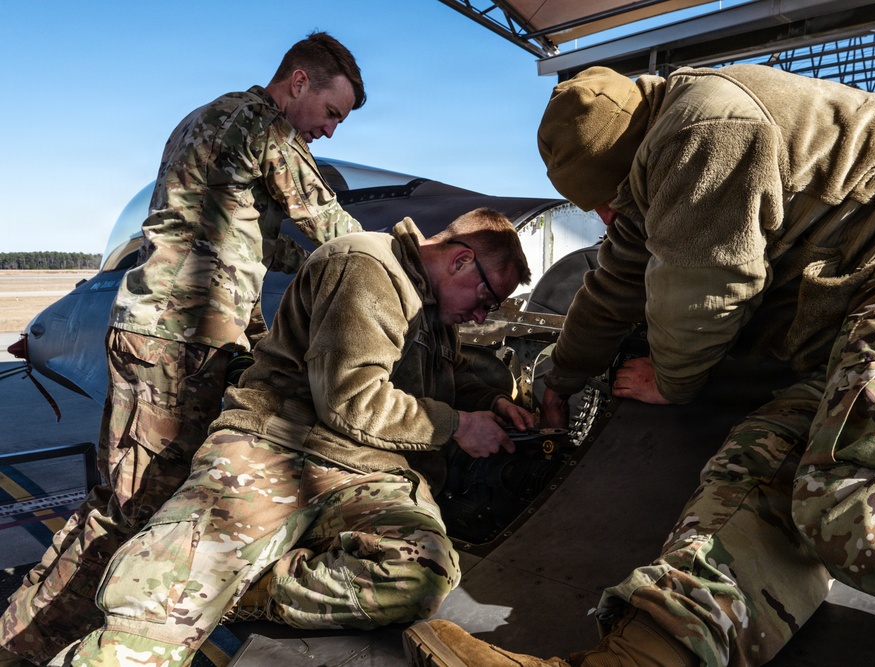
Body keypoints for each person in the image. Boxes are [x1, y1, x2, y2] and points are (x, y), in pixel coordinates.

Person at [402, 64, 875, 666]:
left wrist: (672, 381)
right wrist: (560, 379)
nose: (606, 220)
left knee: (864, 479)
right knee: (762, 463)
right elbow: (615, 285)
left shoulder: (704, 123)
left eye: (607, 205)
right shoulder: (652, 168)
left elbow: (710, 289)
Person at [0, 31, 366, 666]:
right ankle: (23, 646)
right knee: (127, 510)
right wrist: (404, 266)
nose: (331, 131)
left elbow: (248, 245)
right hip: (176, 343)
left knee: (136, 504)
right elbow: (330, 226)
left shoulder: (216, 127)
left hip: (177, 340)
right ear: (298, 83)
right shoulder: (257, 122)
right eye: (332, 113)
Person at [55, 208, 534, 666]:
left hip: (372, 470)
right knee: (156, 610)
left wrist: (488, 403)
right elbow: (351, 399)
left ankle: (250, 583)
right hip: (279, 448)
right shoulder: (366, 266)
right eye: (487, 300)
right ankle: (205, 582)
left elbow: (443, 378)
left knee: (421, 573)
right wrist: (458, 425)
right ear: (461, 259)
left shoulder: (434, 308)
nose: (481, 317)